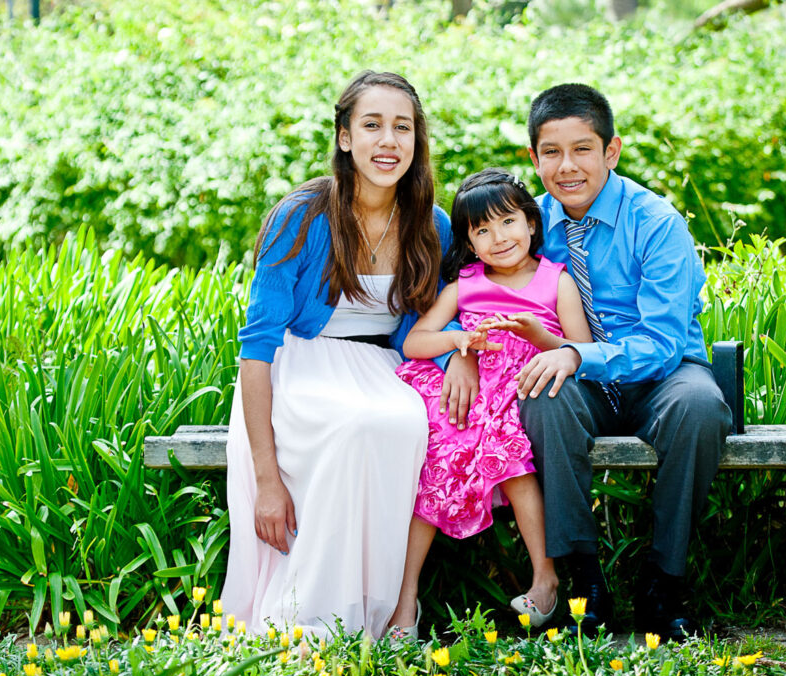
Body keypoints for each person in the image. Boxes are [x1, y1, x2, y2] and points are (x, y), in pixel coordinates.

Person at [219, 71, 452, 639]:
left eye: (402, 127)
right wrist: (267, 481)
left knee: (404, 423)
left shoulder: (432, 225)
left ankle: (377, 612)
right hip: (298, 365)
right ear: (345, 137)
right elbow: (256, 348)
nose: (388, 141)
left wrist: (460, 358)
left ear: (417, 141)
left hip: (382, 370)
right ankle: (310, 617)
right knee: (354, 427)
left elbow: (440, 320)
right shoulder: (300, 217)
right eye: (371, 125)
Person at [516, 84, 733, 640]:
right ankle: (583, 580)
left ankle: (666, 579)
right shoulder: (529, 224)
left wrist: (576, 352)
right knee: (545, 395)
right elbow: (472, 289)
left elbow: (661, 343)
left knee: (701, 407)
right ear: (533, 157)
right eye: (551, 152)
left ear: (611, 152)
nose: (568, 166)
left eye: (583, 149)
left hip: (662, 376)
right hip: (577, 376)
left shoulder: (657, 222)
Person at [386, 169, 594, 638]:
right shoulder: (464, 284)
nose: (498, 238)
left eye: (507, 222)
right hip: (467, 397)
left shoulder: (555, 281)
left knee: (513, 459)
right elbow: (415, 343)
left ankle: (546, 579)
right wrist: (459, 340)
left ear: (532, 224)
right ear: (469, 243)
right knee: (433, 465)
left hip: (520, 393)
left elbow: (580, 348)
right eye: (481, 230)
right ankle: (404, 601)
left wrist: (542, 338)